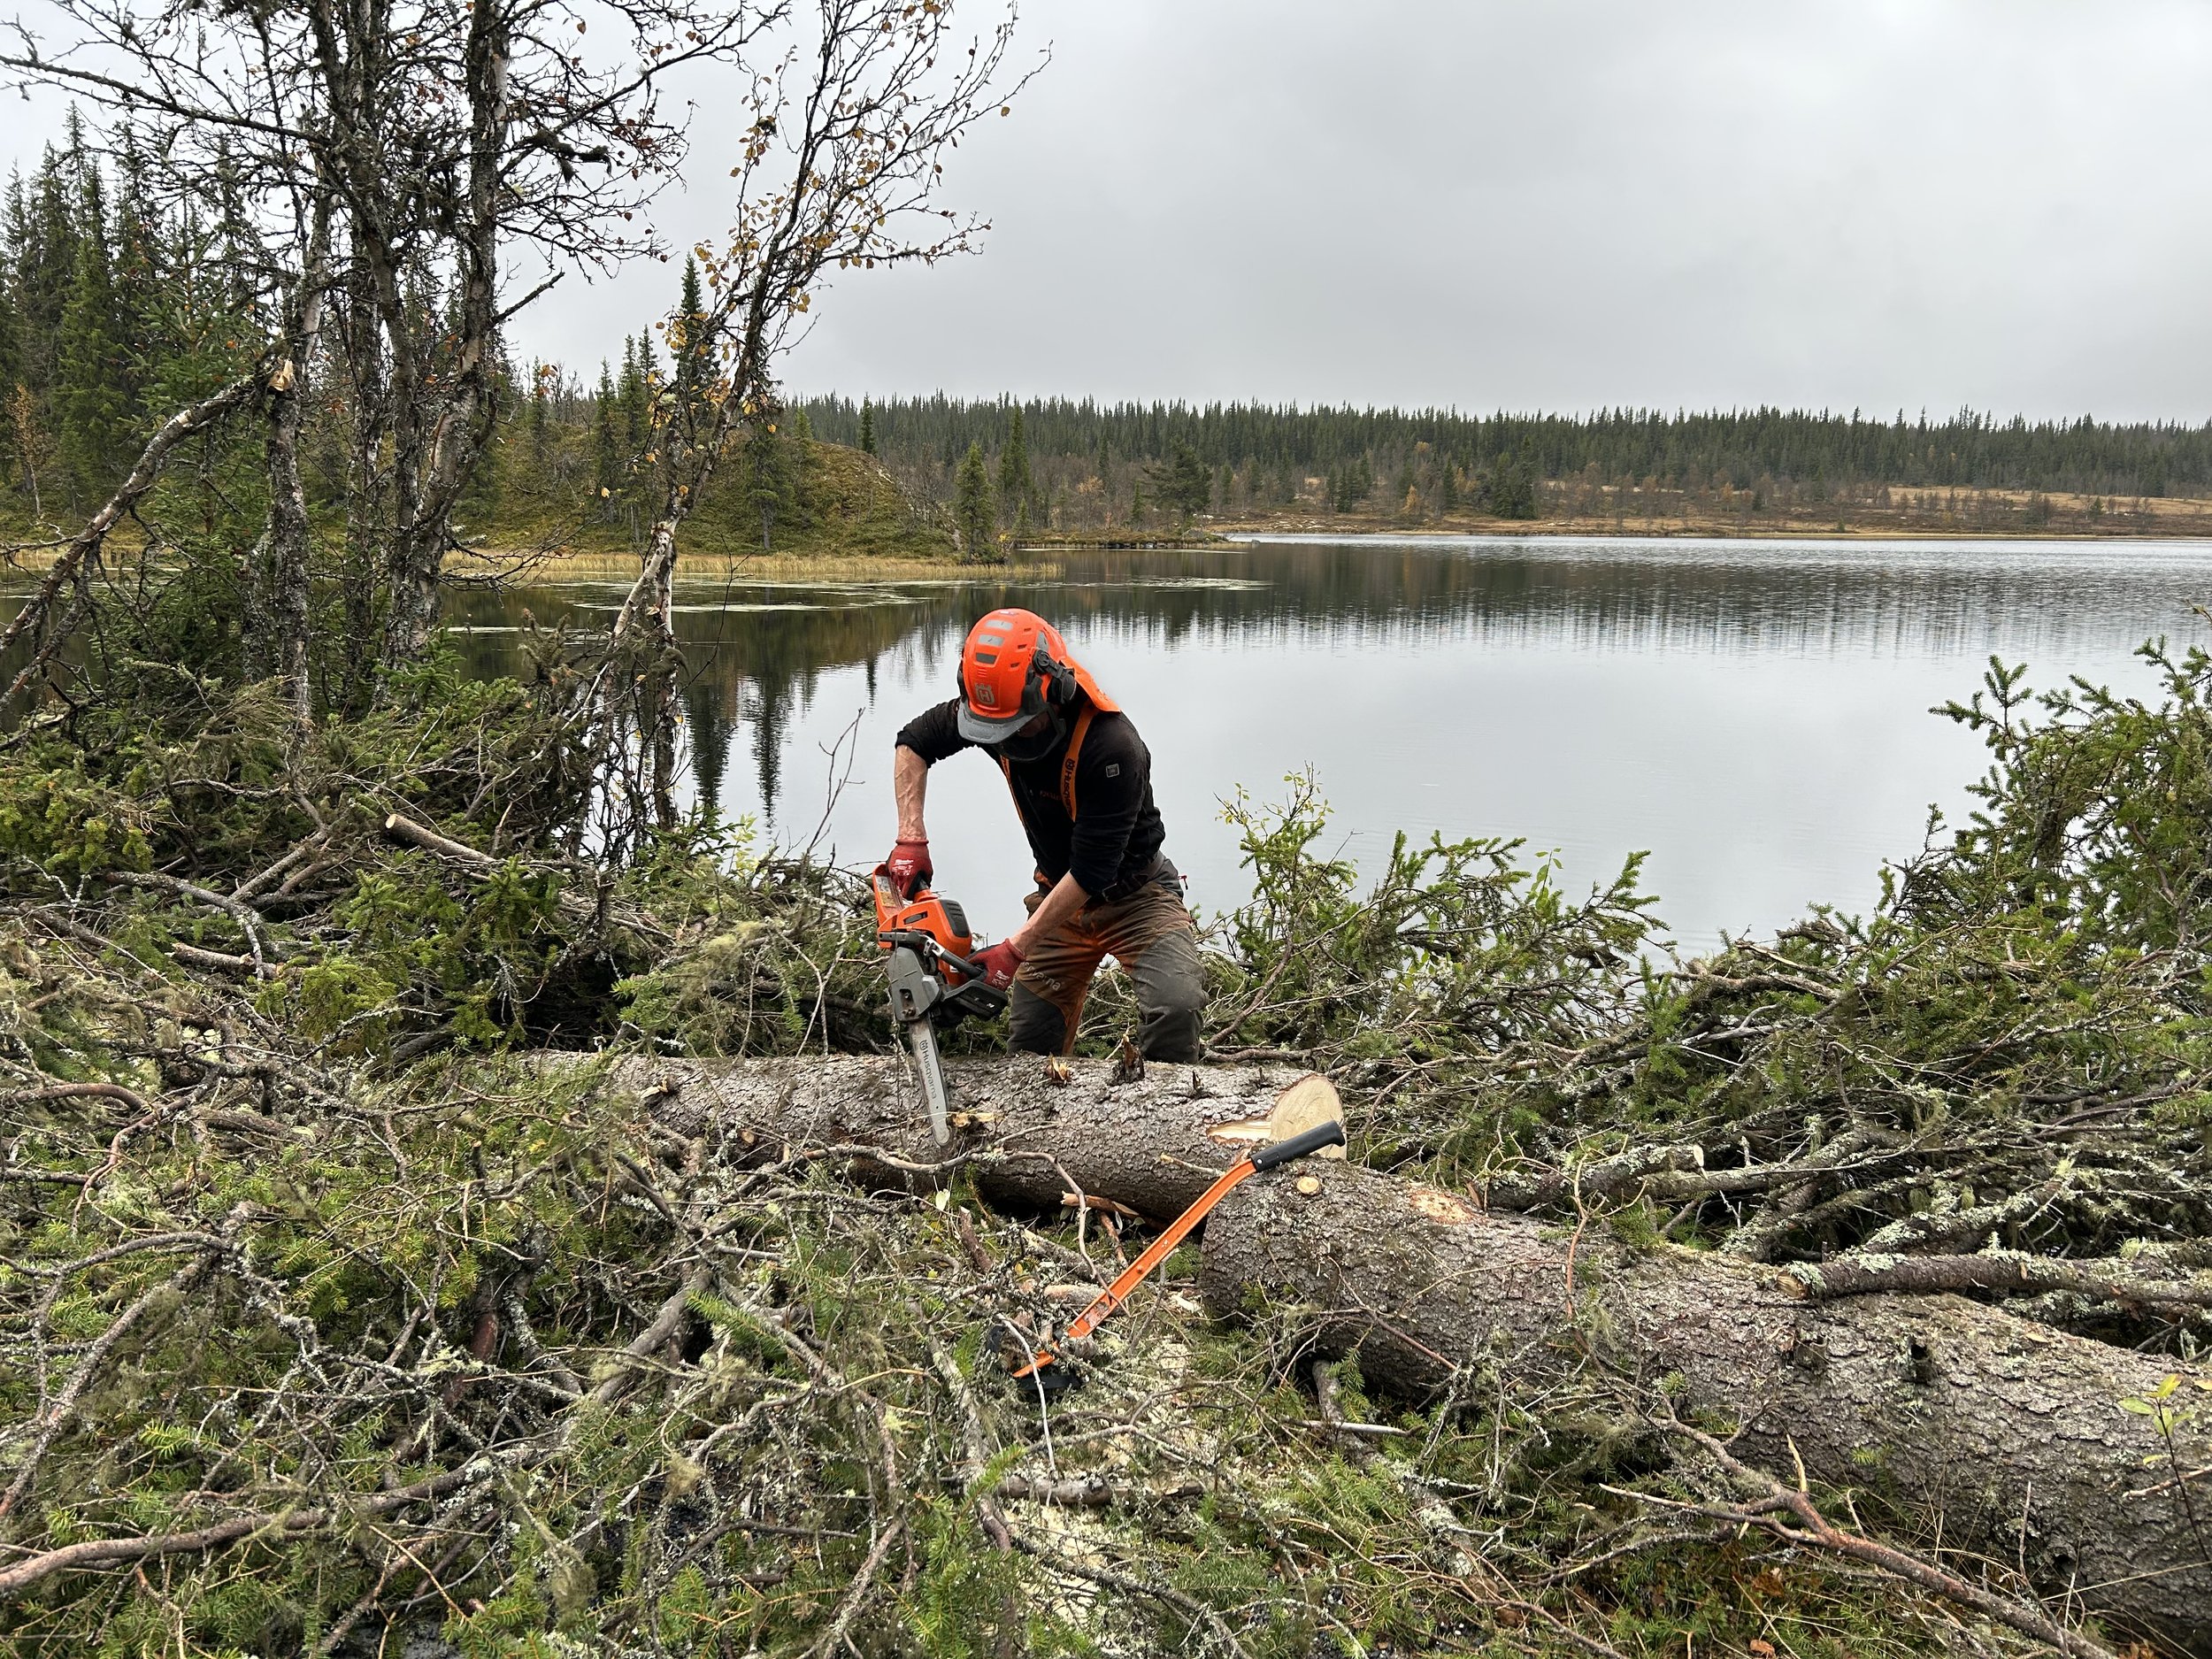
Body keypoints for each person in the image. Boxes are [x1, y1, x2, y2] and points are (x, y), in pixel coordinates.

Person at [887, 608, 1206, 1062]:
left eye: (1017, 724)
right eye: (994, 726)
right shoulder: (995, 711)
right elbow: (913, 741)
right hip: (1057, 892)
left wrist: (1014, 950)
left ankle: (1158, 1114)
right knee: (1032, 1048)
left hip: (1137, 896)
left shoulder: (1113, 747)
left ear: (1053, 690)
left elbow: (1094, 871)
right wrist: (910, 838)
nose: (1005, 738)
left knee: (1176, 1006)